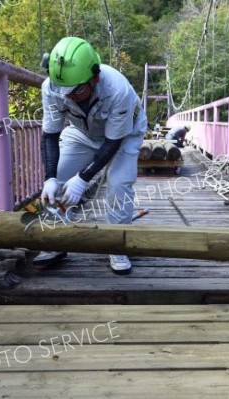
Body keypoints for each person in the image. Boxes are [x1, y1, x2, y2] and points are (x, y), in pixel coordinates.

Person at [39, 37, 147, 274]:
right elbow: (49, 136)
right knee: (58, 178)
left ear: (94, 78)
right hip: (83, 132)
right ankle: (56, 238)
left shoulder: (117, 90)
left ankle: (117, 245)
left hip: (124, 134)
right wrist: (49, 178)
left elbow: (112, 143)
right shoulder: (52, 87)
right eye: (61, 91)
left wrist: (82, 179)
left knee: (118, 184)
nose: (65, 97)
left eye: (73, 91)